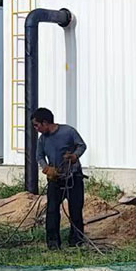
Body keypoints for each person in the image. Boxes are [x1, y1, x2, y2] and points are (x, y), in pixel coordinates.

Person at [32, 107, 87, 250]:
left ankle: (76, 241)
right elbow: (39, 156)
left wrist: (74, 156)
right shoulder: (42, 140)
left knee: (75, 210)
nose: (36, 128)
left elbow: (82, 146)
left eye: (37, 125)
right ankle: (53, 243)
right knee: (52, 211)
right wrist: (46, 168)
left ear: (45, 123)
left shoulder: (68, 132)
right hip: (55, 180)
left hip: (73, 178)